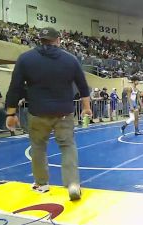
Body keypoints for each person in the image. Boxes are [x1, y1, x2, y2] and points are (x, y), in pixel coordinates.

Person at [5, 27, 92, 201]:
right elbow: (83, 86)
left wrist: (11, 113)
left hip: (37, 112)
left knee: (38, 147)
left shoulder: (25, 59)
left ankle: (42, 183)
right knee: (67, 146)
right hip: (64, 113)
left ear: (40, 40)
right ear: (58, 40)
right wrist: (86, 108)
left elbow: (15, 87)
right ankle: (73, 184)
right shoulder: (70, 59)